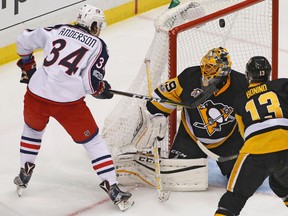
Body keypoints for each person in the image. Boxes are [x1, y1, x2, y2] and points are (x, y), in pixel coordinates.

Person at [13, 4, 133, 211]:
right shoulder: (98, 45)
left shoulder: (58, 30)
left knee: (32, 130)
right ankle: (111, 186)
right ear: (94, 25)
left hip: (36, 94)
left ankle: (25, 170)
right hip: (67, 104)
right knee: (94, 142)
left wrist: (27, 64)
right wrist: (102, 89)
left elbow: (24, 38)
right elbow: (90, 83)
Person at [146, 47, 248, 179]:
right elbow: (155, 102)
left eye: (211, 67)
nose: (206, 70)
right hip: (190, 138)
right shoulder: (189, 77)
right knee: (176, 176)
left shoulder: (242, 85)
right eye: (206, 65)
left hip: (229, 141)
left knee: (244, 178)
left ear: (224, 71)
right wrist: (159, 115)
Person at [214, 56, 288, 216]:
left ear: (248, 75)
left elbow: (244, 133)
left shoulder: (240, 100)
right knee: (281, 185)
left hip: (257, 151)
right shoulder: (282, 84)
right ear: (268, 73)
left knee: (234, 198)